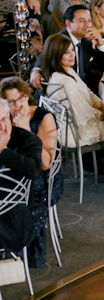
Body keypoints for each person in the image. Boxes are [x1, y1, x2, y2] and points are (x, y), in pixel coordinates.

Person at [42, 33, 104, 190]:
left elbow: (88, 93)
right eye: (66, 52)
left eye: (72, 50)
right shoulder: (64, 81)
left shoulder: (65, 71)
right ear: (55, 55)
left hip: (73, 127)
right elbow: (83, 117)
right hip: (76, 133)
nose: (72, 55)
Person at [1, 78, 57, 267]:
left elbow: (45, 165)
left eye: (21, 98)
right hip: (14, 177)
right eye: (11, 101)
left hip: (42, 180)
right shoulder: (4, 121)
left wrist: (25, 129)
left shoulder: (43, 117)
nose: (18, 105)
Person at [31, 5, 104, 93]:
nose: (87, 25)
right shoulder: (59, 39)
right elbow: (43, 57)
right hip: (63, 92)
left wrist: (100, 42)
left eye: (89, 21)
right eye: (82, 21)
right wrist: (35, 71)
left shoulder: (85, 40)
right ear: (69, 23)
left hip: (82, 89)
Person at [0, 99, 41, 258]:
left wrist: (3, 151)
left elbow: (34, 170)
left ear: (9, 118)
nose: (1, 127)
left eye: (3, 119)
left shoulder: (27, 140)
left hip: (13, 220)